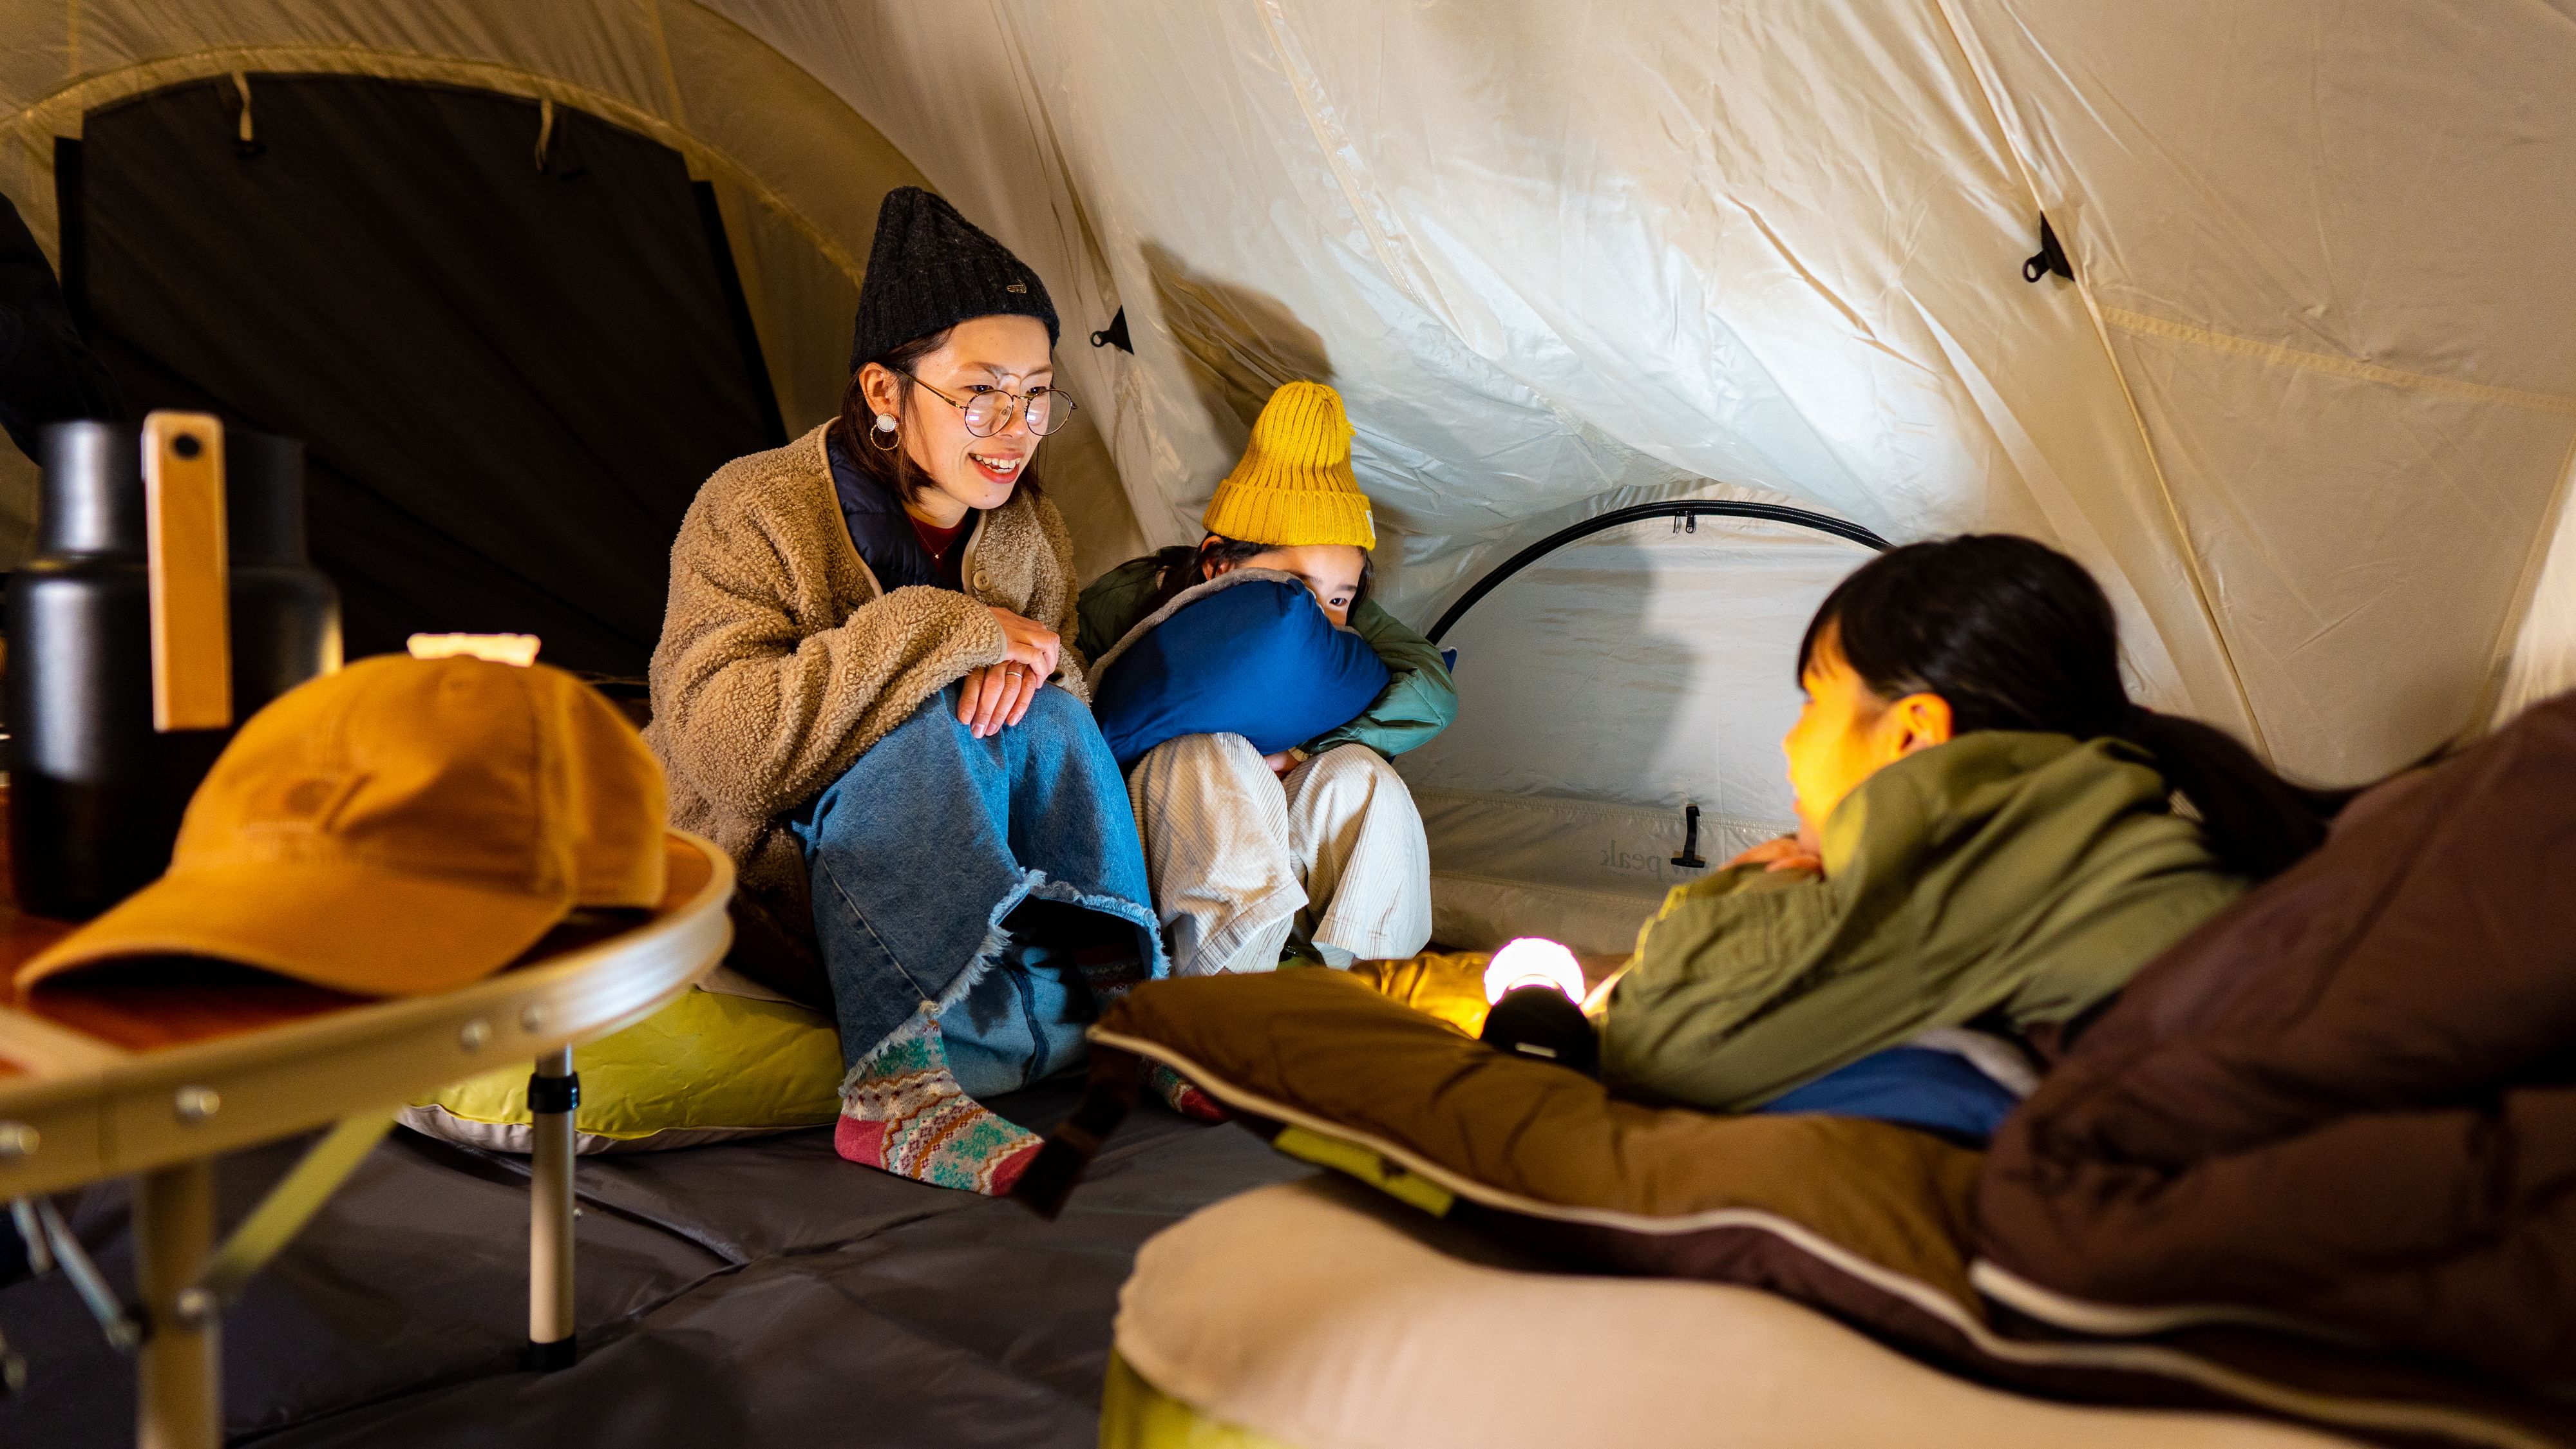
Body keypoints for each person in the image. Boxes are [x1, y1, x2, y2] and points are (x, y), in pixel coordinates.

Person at [647, 187, 1160, 1195]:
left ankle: (1133, 1020)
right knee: (928, 728)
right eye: (980, 393)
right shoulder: (752, 509)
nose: (1013, 430)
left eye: (1037, 394)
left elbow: (1041, 728)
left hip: (972, 875)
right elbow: (732, 752)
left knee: (1053, 710)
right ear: (885, 392)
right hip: (764, 873)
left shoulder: (1027, 533)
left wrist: (1031, 670)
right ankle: (893, 1097)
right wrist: (943, 634)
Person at [1595, 533, 2346, 1113]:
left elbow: (1660, 1042)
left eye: (1813, 702)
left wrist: (1749, 883)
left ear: (1913, 734)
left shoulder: (1963, 842)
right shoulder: (2062, 817)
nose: (1791, 742)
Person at [1077, 381, 1456, 976]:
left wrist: (1308, 749)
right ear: (1218, 564)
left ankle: (1368, 988)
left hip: (1289, 840)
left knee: (1363, 777)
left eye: (1338, 596)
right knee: (1214, 755)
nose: (1319, 612)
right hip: (1164, 828)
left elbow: (1431, 692)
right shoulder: (1133, 597)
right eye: (1299, 587)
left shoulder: (1350, 624)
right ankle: (1229, 999)